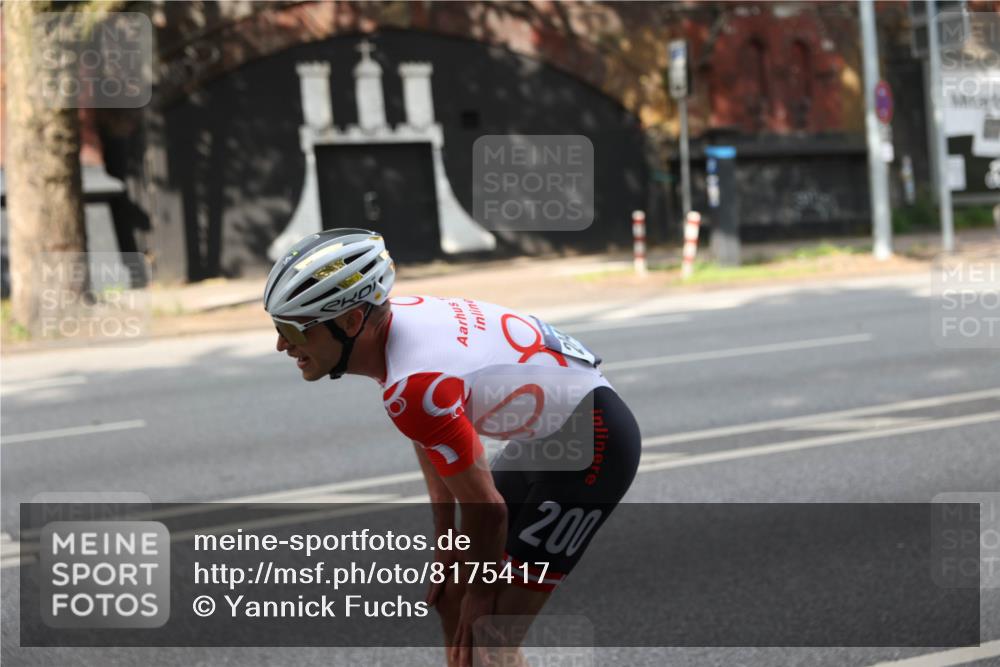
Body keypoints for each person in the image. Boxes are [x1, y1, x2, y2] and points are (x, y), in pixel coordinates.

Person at [265, 228, 641, 666]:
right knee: (451, 597)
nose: (281, 344)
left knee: (487, 638)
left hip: (595, 449)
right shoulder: (393, 329)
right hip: (551, 434)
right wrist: (447, 540)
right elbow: (433, 437)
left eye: (292, 329)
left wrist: (480, 593)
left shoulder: (413, 383)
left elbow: (489, 510)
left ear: (350, 322)